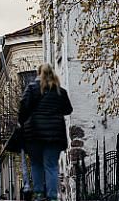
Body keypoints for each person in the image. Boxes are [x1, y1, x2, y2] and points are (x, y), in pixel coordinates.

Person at [18, 63, 73, 201]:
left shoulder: (31, 88)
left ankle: (38, 194)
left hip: (34, 134)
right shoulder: (60, 91)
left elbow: (23, 109)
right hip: (54, 135)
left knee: (36, 164)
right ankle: (52, 196)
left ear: (38, 73)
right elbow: (68, 109)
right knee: (52, 165)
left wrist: (22, 122)